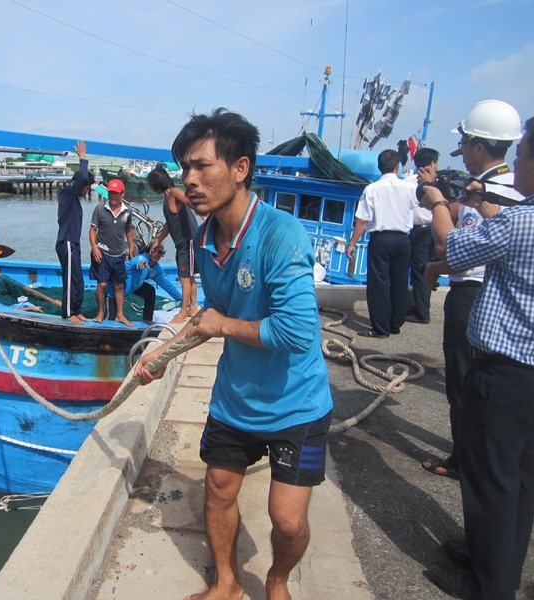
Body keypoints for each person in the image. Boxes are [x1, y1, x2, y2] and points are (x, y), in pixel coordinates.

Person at [134, 108, 333, 600]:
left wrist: (222, 324)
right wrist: (162, 357)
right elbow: (212, 313)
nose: (190, 180)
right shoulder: (204, 239)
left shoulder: (281, 235)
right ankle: (226, 583)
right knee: (219, 489)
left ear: (240, 168)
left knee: (287, 523)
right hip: (235, 400)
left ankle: (277, 579)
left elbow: (298, 331)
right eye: (185, 168)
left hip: (296, 405)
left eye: (202, 166)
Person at [421, 116, 534, 600]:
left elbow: (453, 247)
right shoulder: (518, 215)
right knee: (520, 478)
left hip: (505, 372)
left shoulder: (523, 221)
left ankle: (488, 585)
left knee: (490, 477)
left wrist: (436, 202)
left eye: (525, 152)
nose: (519, 162)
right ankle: (495, 559)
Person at [420, 100, 524, 481]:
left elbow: (457, 253)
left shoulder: (487, 195)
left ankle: (464, 459)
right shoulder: (511, 189)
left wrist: (437, 206)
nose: (461, 153)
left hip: (472, 296)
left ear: (479, 146)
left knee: (464, 386)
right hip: (489, 293)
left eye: (464, 144)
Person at [346, 149, 415, 338]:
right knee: (399, 282)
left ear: (379, 167)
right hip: (402, 238)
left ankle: (380, 327)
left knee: (379, 284)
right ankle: (395, 323)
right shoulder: (409, 188)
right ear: (397, 167)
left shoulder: (372, 189)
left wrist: (352, 243)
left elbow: (362, 220)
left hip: (381, 238)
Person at [146, 166, 200, 323]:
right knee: (189, 277)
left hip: (187, 241)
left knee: (184, 278)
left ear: (157, 184)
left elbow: (190, 202)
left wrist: (205, 212)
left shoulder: (174, 192)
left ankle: (183, 311)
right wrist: (158, 241)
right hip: (182, 243)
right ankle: (193, 308)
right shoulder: (166, 199)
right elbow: (169, 224)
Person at [56, 140, 93, 324]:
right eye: (87, 188)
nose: (87, 191)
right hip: (67, 242)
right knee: (70, 279)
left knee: (78, 280)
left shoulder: (75, 201)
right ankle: (68, 312)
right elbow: (81, 178)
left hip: (74, 243)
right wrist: (83, 157)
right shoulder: (67, 194)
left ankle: (76, 309)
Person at [89, 178, 135, 325]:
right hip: (102, 253)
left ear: (122, 193)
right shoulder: (100, 209)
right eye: (111, 193)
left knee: (119, 285)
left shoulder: (128, 211)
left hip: (119, 255)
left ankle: (120, 315)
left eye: (116, 193)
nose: (113, 196)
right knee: (101, 285)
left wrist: (131, 247)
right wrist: (94, 247)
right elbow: (92, 230)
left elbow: (128, 229)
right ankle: (100, 312)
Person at [105, 242, 181, 323]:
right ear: (149, 251)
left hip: (132, 287)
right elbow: (138, 262)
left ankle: (147, 318)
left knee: (150, 290)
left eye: (159, 252)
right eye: (153, 250)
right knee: (111, 317)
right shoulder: (142, 258)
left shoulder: (156, 269)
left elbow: (166, 284)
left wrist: (180, 298)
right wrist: (141, 264)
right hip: (114, 290)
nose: (155, 254)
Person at [406, 148, 439, 324]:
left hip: (418, 230)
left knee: (419, 271)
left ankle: (422, 311)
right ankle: (422, 307)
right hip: (434, 229)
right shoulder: (439, 182)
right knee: (428, 269)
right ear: (432, 163)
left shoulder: (408, 182)